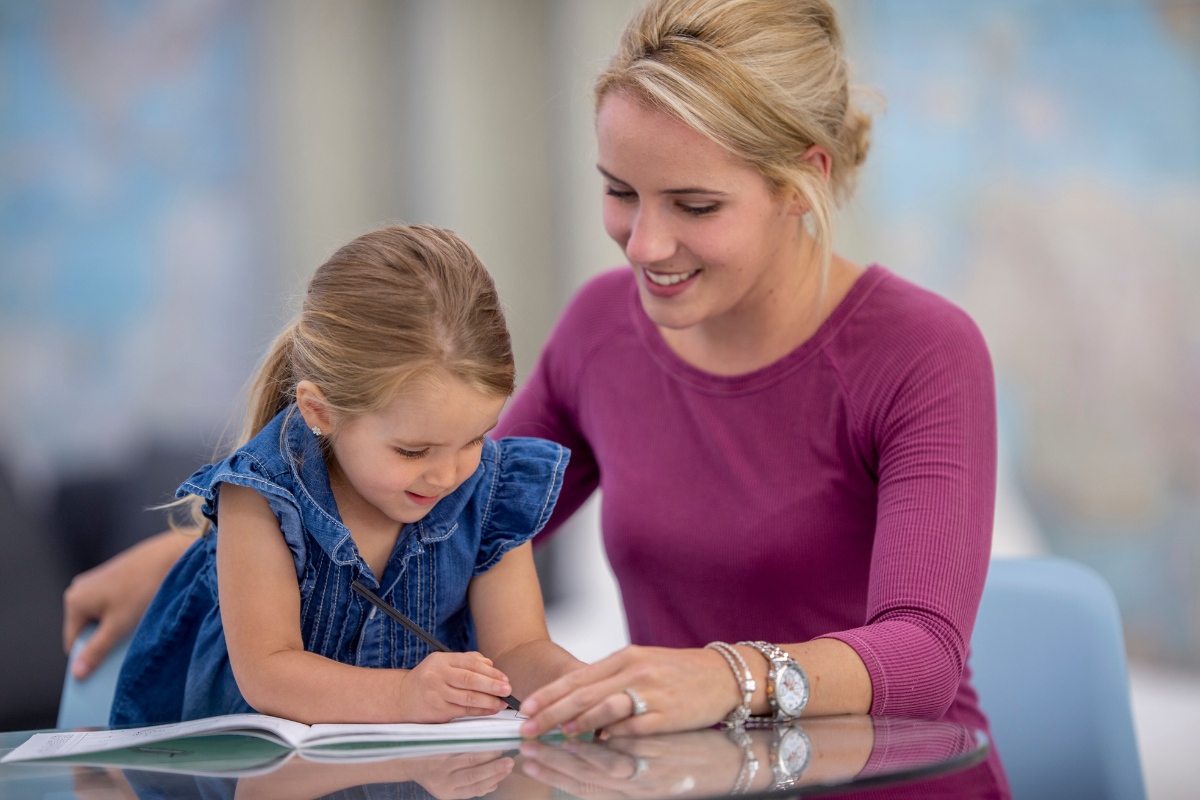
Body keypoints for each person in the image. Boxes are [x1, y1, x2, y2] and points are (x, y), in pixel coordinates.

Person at [67, 0, 1008, 794]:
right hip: (684, 781)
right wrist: (193, 553)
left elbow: (923, 656)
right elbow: (443, 510)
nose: (642, 244)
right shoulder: (605, 328)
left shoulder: (922, 352)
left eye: (694, 205)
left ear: (801, 180)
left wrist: (725, 676)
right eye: (619, 192)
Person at [106, 225, 581, 726]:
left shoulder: (489, 490)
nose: (448, 475)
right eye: (413, 450)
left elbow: (519, 649)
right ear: (320, 410)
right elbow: (269, 673)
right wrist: (404, 696)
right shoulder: (259, 498)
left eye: (473, 439)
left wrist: (586, 688)